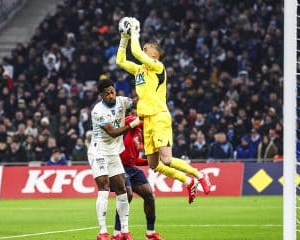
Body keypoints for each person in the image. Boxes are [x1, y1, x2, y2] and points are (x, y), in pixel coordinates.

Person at [116, 18, 211, 203]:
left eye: (149, 47)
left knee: (166, 159)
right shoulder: (139, 71)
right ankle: (188, 181)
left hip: (159, 116)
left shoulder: (158, 67)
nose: (145, 48)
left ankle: (200, 176)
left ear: (156, 54)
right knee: (154, 165)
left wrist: (134, 32)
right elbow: (120, 60)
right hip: (147, 120)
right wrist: (123, 37)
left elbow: (135, 51)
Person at [87, 80, 140, 240]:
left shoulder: (123, 101)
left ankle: (124, 231)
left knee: (123, 190)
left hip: (113, 152)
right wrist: (134, 123)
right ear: (101, 95)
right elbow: (113, 132)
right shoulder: (98, 111)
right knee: (104, 188)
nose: (111, 95)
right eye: (107, 93)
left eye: (112, 91)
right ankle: (102, 231)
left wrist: (147, 97)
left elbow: (137, 102)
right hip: (99, 152)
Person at [112, 115, 163, 240]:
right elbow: (138, 121)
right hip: (119, 166)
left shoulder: (139, 134)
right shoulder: (130, 121)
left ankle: (150, 233)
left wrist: (152, 161)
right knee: (127, 195)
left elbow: (134, 160)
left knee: (149, 195)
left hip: (131, 168)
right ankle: (117, 233)